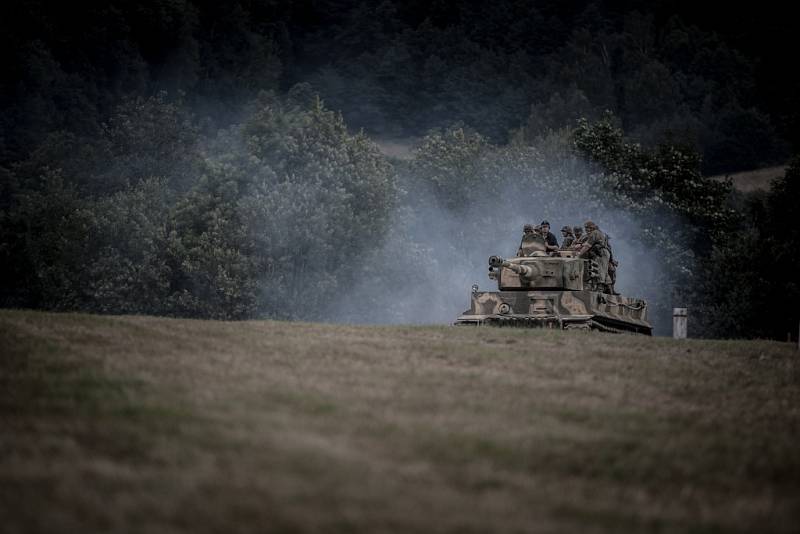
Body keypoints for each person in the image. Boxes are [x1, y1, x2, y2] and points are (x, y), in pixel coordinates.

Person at [577, 220, 611, 292]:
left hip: (601, 252)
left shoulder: (594, 233)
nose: (586, 230)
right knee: (603, 269)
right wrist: (580, 245)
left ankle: (600, 288)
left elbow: (588, 246)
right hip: (603, 252)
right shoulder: (598, 232)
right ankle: (608, 287)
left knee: (600, 269)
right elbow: (587, 243)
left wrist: (579, 255)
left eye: (587, 228)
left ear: (590, 228)